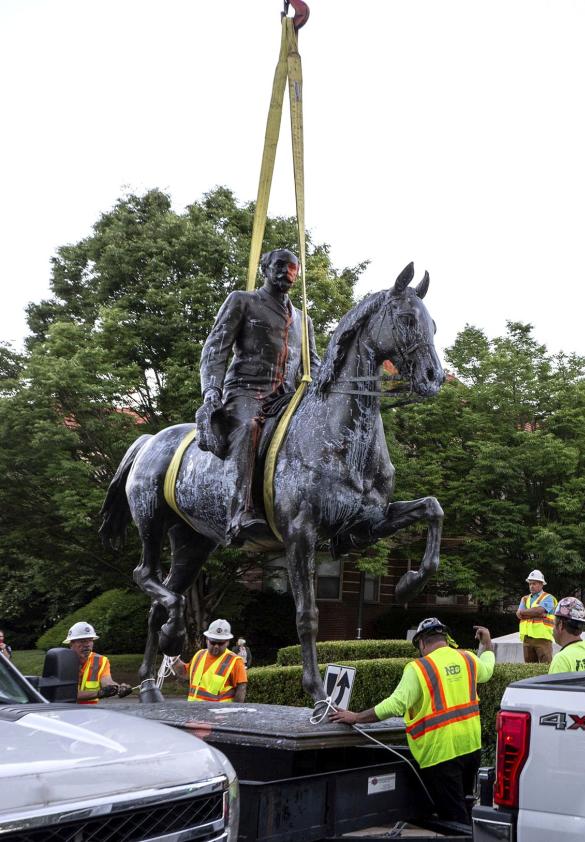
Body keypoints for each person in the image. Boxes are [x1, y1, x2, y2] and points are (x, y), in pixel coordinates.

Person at [197, 247, 319, 545]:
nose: (287, 272)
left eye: (293, 268)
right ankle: (241, 510)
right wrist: (211, 389)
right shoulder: (243, 301)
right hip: (246, 391)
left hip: (288, 398)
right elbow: (216, 348)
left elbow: (313, 364)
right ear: (265, 267)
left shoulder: (304, 321)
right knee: (250, 427)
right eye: (280, 265)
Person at [330, 618, 495, 823]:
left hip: (441, 753)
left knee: (454, 819)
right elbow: (488, 671)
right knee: (466, 804)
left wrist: (356, 717)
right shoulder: (468, 658)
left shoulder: (419, 668)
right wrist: (487, 644)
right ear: (445, 638)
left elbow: (395, 704)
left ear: (422, 643)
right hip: (471, 748)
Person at [170, 619, 249, 703]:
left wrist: (235, 712)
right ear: (207, 640)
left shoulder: (236, 661)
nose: (216, 646)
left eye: (220, 643)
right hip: (193, 712)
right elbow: (184, 673)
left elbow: (241, 689)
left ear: (227, 642)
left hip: (220, 715)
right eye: (213, 642)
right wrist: (172, 656)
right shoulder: (199, 655)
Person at [64, 621, 131, 703]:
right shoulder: (63, 662)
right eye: (82, 641)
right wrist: (99, 693)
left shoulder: (99, 661)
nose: (87, 644)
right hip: (67, 711)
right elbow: (68, 694)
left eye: (90, 640)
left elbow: (107, 682)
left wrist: (118, 688)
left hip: (91, 713)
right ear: (71, 644)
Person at [514, 569, 557, 663]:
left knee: (545, 668)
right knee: (529, 670)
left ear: (541, 584)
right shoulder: (525, 599)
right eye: (530, 584)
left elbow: (539, 611)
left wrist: (526, 612)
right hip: (527, 638)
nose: (531, 586)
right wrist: (535, 613)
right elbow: (519, 614)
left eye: (534, 583)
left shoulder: (548, 598)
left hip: (543, 638)